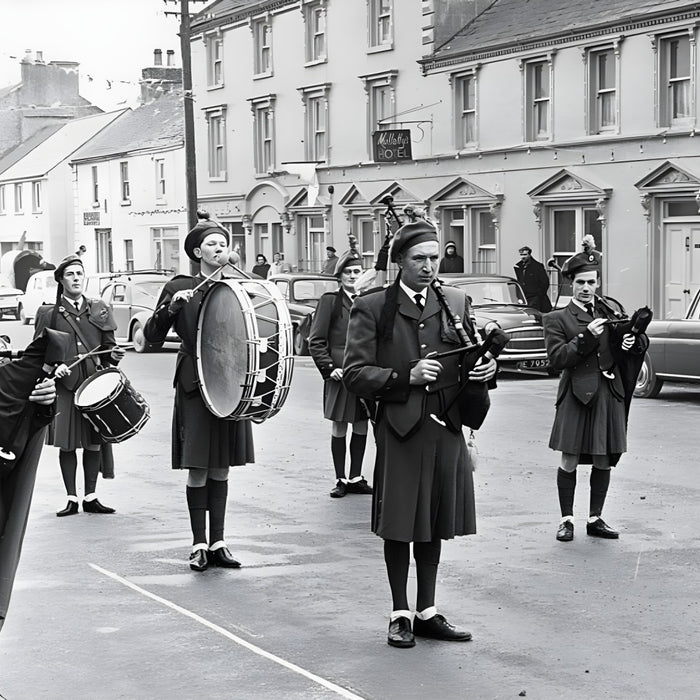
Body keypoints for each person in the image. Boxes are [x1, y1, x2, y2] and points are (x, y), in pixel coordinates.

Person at [343, 219, 497, 649]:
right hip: (401, 428)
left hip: (446, 424)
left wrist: (487, 369)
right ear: (399, 262)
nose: (430, 266)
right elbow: (355, 373)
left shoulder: (455, 300)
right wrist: (404, 376)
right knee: (400, 523)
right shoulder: (373, 306)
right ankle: (399, 612)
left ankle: (427, 610)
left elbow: (467, 358)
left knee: (432, 522)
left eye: (434, 258)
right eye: (419, 259)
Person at [144, 219, 254, 572]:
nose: (220, 248)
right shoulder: (180, 286)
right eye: (212, 244)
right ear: (197, 253)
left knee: (221, 465)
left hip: (230, 382)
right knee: (199, 467)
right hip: (195, 382)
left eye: (224, 242)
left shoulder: (237, 287)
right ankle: (199, 544)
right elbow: (152, 337)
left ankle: (219, 541)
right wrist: (172, 307)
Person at [543, 252, 648, 543]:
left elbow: (623, 346)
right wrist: (585, 336)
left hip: (607, 392)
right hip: (576, 392)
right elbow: (557, 359)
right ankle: (566, 520)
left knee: (604, 457)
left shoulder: (609, 313)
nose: (586, 288)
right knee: (570, 457)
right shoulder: (557, 318)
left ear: (598, 283)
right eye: (580, 282)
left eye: (591, 282)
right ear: (570, 284)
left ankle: (595, 518)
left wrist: (630, 342)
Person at [34, 255, 125, 517]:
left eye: (79, 274)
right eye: (71, 274)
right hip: (65, 386)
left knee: (94, 441)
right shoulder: (48, 313)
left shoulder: (99, 308)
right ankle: (72, 498)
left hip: (94, 384)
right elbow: (38, 353)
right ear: (61, 280)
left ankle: (91, 496)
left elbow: (109, 348)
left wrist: (114, 356)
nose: (76, 278)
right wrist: (54, 366)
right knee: (68, 443)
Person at [308, 248, 372, 499]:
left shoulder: (368, 299)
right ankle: (340, 478)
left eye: (357, 271)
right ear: (339, 276)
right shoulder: (330, 301)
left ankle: (356, 477)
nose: (353, 276)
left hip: (365, 371)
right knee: (339, 425)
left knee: (361, 423)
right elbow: (316, 340)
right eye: (348, 272)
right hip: (340, 372)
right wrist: (328, 367)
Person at [513, 245, 552, 312]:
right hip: (524, 298)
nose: (523, 257)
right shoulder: (519, 267)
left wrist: (538, 296)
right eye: (521, 255)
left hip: (535, 298)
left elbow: (545, 283)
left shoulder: (537, 266)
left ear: (529, 255)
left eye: (525, 254)